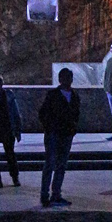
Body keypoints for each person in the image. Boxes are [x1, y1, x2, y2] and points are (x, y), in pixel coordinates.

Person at [38, 67, 80, 207]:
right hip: (54, 134)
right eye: (66, 78)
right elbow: (43, 113)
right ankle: (45, 195)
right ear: (61, 79)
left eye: (70, 78)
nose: (68, 81)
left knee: (61, 165)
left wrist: (72, 129)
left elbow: (76, 115)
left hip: (65, 134)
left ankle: (56, 194)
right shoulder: (53, 95)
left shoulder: (74, 96)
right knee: (50, 164)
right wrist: (49, 128)